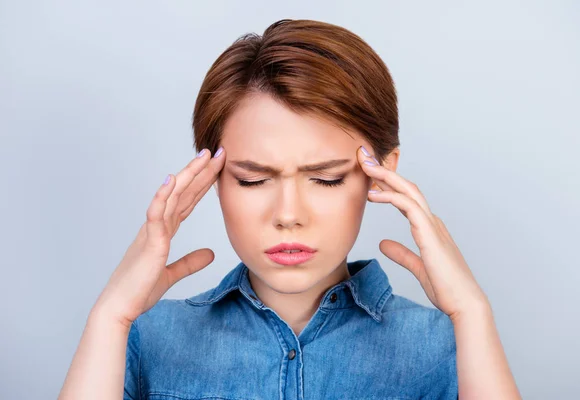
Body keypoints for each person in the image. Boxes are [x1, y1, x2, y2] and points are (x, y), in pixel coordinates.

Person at [58, 19, 521, 399]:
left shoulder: (442, 346)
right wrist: (111, 315)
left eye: (326, 178)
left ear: (382, 172)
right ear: (211, 179)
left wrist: (472, 313)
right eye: (253, 179)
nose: (288, 214)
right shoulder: (147, 338)